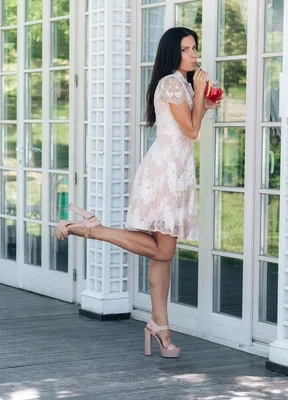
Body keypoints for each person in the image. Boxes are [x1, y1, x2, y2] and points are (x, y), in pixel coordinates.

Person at [54, 27, 221, 358]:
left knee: (161, 254)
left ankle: (160, 327)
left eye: (195, 48)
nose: (193, 55)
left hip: (176, 173)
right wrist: (200, 93)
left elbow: (191, 126)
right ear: (173, 53)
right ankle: (91, 228)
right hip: (165, 175)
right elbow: (191, 130)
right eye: (187, 49)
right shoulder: (172, 83)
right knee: (164, 252)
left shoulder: (182, 86)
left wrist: (204, 98)